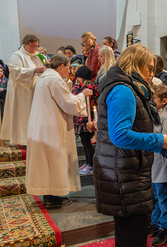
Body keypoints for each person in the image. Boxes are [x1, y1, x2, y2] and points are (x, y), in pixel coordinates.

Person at [94, 44, 167, 247]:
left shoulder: (123, 85)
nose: (152, 75)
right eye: (149, 68)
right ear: (136, 64)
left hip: (123, 173)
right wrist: (159, 141)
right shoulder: (124, 90)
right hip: (125, 177)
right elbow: (120, 135)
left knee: (128, 240)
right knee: (133, 243)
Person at [26, 54, 93, 208]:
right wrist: (83, 94)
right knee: (53, 161)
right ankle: (53, 198)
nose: (69, 71)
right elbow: (69, 103)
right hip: (52, 128)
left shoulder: (44, 78)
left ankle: (50, 196)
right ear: (61, 66)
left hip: (42, 126)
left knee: (46, 163)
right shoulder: (55, 79)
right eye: (68, 67)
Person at [0, 34, 45, 145]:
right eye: (32, 46)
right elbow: (15, 72)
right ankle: (23, 141)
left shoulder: (38, 56)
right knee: (23, 118)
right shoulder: (17, 56)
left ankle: (35, 139)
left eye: (36, 46)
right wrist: (34, 70)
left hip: (36, 92)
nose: (35, 48)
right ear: (25, 44)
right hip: (21, 93)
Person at [147, 84, 167, 246]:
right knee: (154, 196)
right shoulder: (153, 114)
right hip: (152, 162)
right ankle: (155, 223)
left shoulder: (165, 118)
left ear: (163, 101)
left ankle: (164, 227)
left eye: (154, 98)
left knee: (161, 196)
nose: (152, 101)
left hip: (160, 161)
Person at [72, 66, 99, 175]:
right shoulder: (81, 87)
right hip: (80, 118)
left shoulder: (89, 88)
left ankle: (91, 164)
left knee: (87, 142)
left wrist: (76, 88)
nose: (77, 80)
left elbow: (75, 97)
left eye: (78, 77)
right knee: (84, 142)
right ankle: (87, 163)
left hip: (86, 119)